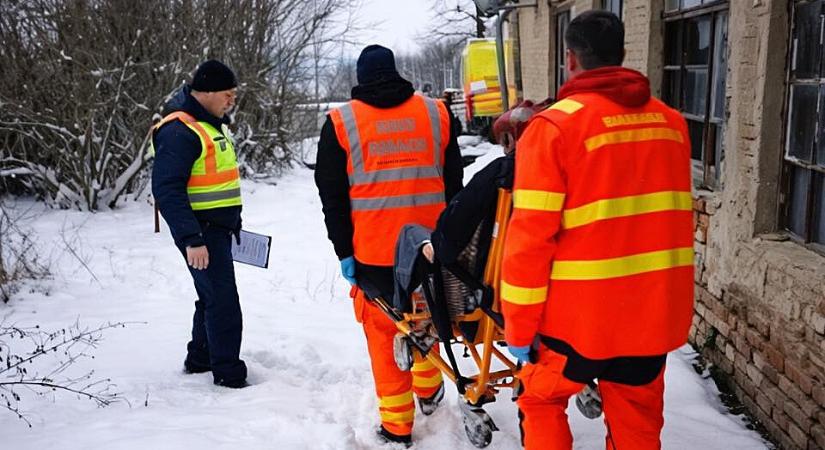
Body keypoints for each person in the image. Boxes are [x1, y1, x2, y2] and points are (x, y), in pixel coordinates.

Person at [500, 11, 694, 450]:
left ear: (570, 59)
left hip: (577, 325)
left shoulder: (553, 129)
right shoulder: (672, 123)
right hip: (651, 318)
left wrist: (519, 330)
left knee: (541, 401)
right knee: (638, 425)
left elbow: (529, 241)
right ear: (623, 55)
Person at [314, 45, 463, 446]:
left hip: (376, 254)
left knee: (386, 332)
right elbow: (455, 186)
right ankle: (429, 392)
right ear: (396, 73)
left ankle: (397, 427)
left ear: (360, 80)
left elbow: (332, 196)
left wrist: (344, 250)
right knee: (428, 317)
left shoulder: (341, 122)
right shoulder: (437, 113)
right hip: (434, 249)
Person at [151, 60, 248, 389]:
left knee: (212, 296)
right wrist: (192, 239)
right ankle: (228, 374)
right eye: (227, 94)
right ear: (205, 93)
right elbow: (167, 189)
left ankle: (200, 359)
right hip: (201, 232)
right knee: (222, 302)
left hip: (216, 231)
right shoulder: (180, 130)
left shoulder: (209, 124)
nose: (231, 100)